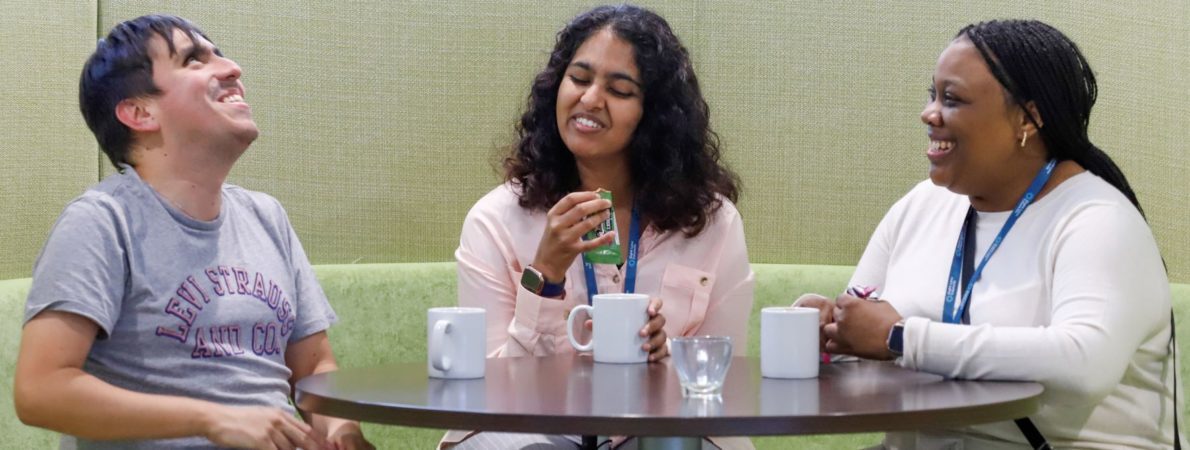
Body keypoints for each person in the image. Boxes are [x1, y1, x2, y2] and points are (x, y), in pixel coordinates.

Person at [796, 20, 1183, 449]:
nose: (929, 113)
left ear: (1028, 118)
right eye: (932, 95)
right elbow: (866, 347)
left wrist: (902, 336)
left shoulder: (1097, 220)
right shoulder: (921, 206)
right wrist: (831, 335)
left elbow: (1084, 363)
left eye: (952, 99)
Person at [12, 15, 373, 450]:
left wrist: (341, 431)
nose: (231, 67)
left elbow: (315, 368)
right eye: (194, 60)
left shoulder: (266, 216)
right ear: (139, 112)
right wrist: (211, 420)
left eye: (218, 53)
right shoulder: (102, 222)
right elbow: (40, 392)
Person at [450, 4, 754, 449]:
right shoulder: (496, 220)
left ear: (654, 114)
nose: (590, 99)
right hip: (530, 430)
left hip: (663, 431)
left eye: (620, 89)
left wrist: (668, 361)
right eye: (579, 78)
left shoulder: (712, 223)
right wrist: (544, 279)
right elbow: (486, 393)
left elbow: (727, 384)